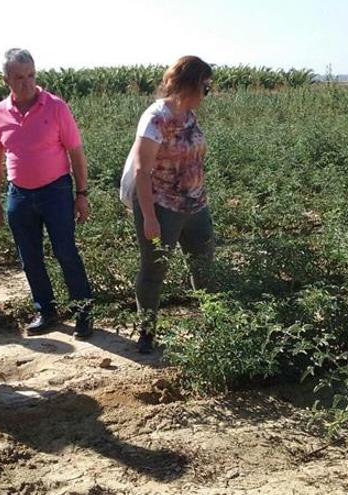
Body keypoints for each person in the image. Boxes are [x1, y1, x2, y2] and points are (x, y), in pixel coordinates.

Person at [0, 48, 94, 339]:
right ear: (5, 79)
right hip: (19, 195)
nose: (27, 83)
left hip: (56, 191)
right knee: (29, 257)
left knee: (65, 251)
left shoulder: (56, 107)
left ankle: (83, 310)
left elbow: (76, 153)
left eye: (31, 75)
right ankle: (46, 310)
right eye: (19, 77)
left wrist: (81, 194)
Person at [125, 56, 215, 354]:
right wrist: (150, 218)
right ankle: (147, 332)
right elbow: (141, 170)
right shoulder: (155, 118)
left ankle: (215, 325)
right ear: (190, 85)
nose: (207, 92)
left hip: (196, 205)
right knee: (154, 269)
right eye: (206, 86)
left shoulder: (189, 115)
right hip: (162, 206)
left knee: (204, 266)